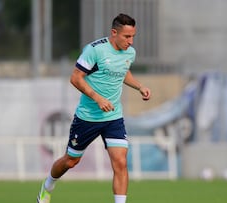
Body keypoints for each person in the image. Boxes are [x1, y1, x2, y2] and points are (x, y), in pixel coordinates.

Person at [36, 13, 151, 203]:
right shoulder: (94, 50)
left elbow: (123, 71)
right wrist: (97, 98)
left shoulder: (130, 53)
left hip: (113, 117)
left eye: (133, 37)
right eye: (127, 37)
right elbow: (75, 78)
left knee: (121, 162)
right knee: (71, 161)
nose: (130, 42)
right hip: (88, 117)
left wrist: (140, 86)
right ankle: (48, 185)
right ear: (114, 33)